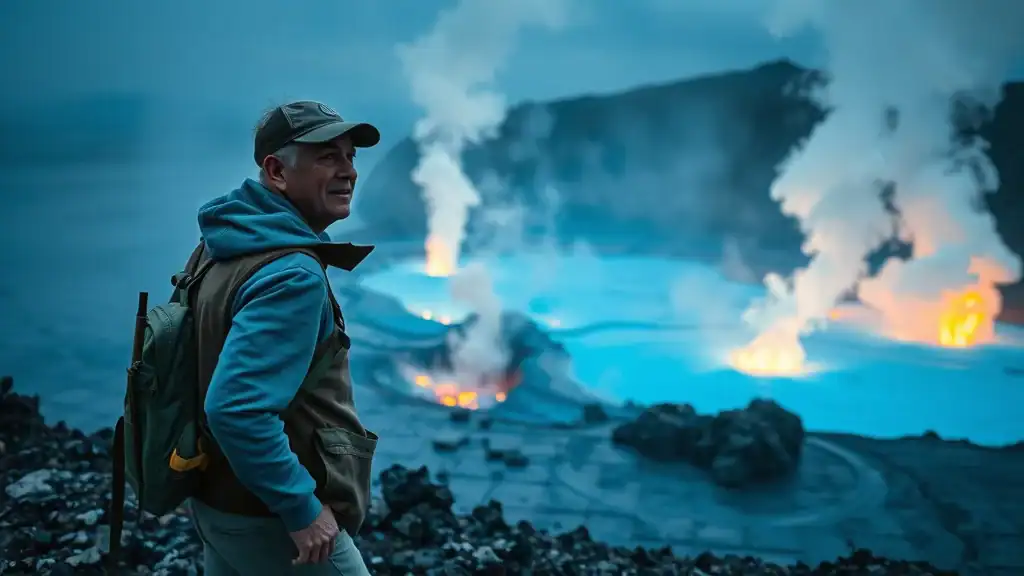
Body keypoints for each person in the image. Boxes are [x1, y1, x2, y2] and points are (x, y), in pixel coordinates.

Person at [183, 101, 381, 575]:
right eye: (327, 156)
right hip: (272, 521)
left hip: (218, 499)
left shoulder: (221, 245)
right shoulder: (291, 274)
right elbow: (235, 407)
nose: (349, 171)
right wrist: (301, 508)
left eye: (351, 156)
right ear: (276, 171)